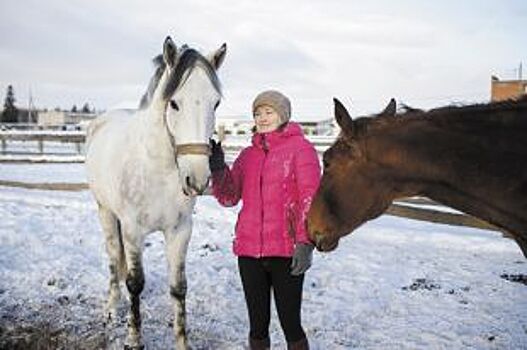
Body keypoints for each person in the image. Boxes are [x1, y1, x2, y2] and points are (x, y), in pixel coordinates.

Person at [209, 90, 321, 350]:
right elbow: (229, 197)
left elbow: (310, 198)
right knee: (257, 325)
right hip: (249, 252)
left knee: (290, 323)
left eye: (268, 112)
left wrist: (305, 243)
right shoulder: (249, 156)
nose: (262, 117)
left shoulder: (301, 149)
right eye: (257, 113)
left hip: (287, 250)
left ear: (283, 115)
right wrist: (217, 169)